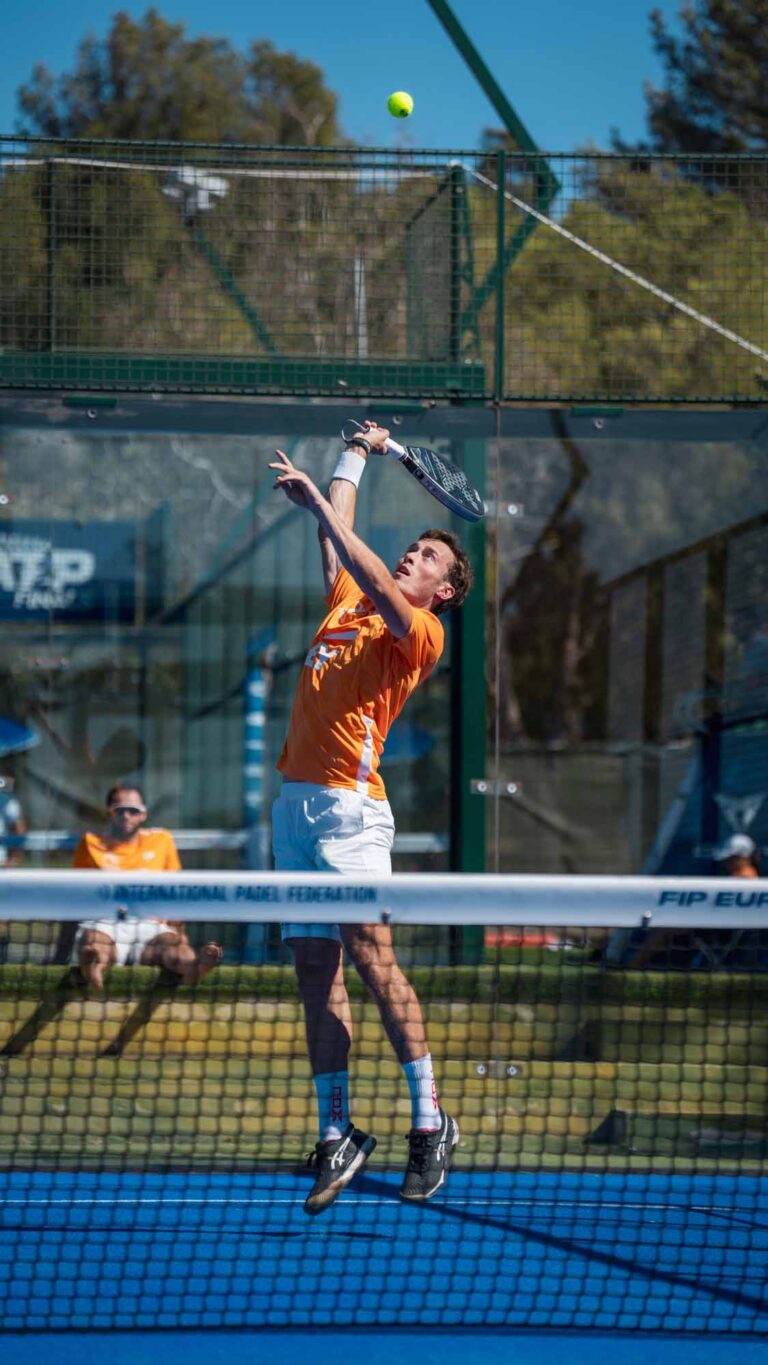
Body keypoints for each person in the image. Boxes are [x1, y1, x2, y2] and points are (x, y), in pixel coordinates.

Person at [269, 422, 474, 1216]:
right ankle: (337, 1130)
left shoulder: (420, 630)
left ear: (443, 590)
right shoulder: (347, 600)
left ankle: (429, 1119)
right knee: (314, 972)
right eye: (412, 549)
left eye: (427, 558)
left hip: (351, 814)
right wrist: (355, 452)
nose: (411, 558)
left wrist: (322, 508)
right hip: (294, 810)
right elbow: (340, 539)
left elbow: (361, 559)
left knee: (372, 957)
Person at [71, 783, 222, 989]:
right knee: (93, 943)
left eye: (133, 810)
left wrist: (181, 937)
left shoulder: (162, 840)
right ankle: (94, 968)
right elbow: (76, 897)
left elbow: (175, 895)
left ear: (143, 815)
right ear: (108, 813)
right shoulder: (89, 842)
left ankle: (192, 967)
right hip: (104, 922)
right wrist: (59, 955)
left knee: (173, 946)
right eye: (119, 810)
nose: (126, 816)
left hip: (150, 926)